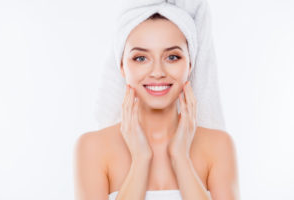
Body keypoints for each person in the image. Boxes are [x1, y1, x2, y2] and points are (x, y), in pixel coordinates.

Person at [74, 6, 240, 200]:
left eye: (172, 57)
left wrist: (181, 158)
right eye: (141, 58)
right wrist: (140, 160)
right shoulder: (92, 147)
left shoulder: (219, 146)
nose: (158, 72)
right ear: (122, 67)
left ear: (190, 64)